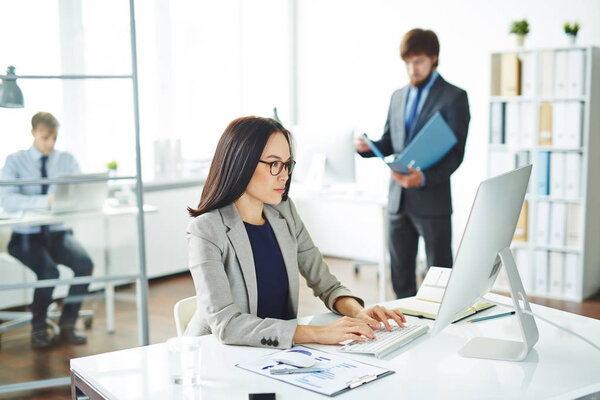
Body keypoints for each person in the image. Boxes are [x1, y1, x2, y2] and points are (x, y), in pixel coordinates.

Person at [184, 116, 406, 348]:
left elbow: (327, 285)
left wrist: (359, 313)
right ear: (242, 163)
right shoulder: (206, 229)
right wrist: (318, 333)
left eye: (287, 164)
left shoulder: (284, 211)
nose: (285, 175)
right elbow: (227, 325)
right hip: (213, 357)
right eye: (274, 164)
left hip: (274, 357)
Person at [355, 29, 471, 298]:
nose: (412, 68)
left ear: (434, 58)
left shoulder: (454, 97)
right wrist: (367, 147)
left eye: (418, 61)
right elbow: (389, 142)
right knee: (400, 277)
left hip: (432, 199)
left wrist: (424, 177)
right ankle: (407, 330)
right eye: (407, 62)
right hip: (398, 199)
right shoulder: (397, 96)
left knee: (440, 278)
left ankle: (442, 333)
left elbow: (456, 155)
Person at [1, 112, 93, 348]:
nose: (50, 144)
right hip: (25, 237)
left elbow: (80, 191)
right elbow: (7, 200)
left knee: (85, 265)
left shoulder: (66, 160)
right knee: (49, 272)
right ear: (33, 133)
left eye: (54, 137)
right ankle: (39, 327)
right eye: (45, 138)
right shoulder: (15, 161)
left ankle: (68, 324)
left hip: (58, 234)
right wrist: (46, 201)